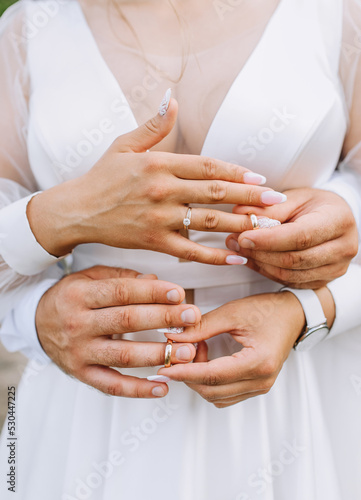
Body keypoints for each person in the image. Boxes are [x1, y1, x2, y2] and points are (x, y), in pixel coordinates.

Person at [0, 0, 360, 499]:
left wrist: (312, 305)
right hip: (92, 405)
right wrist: (36, 314)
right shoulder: (27, 31)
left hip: (301, 391)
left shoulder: (338, 15)